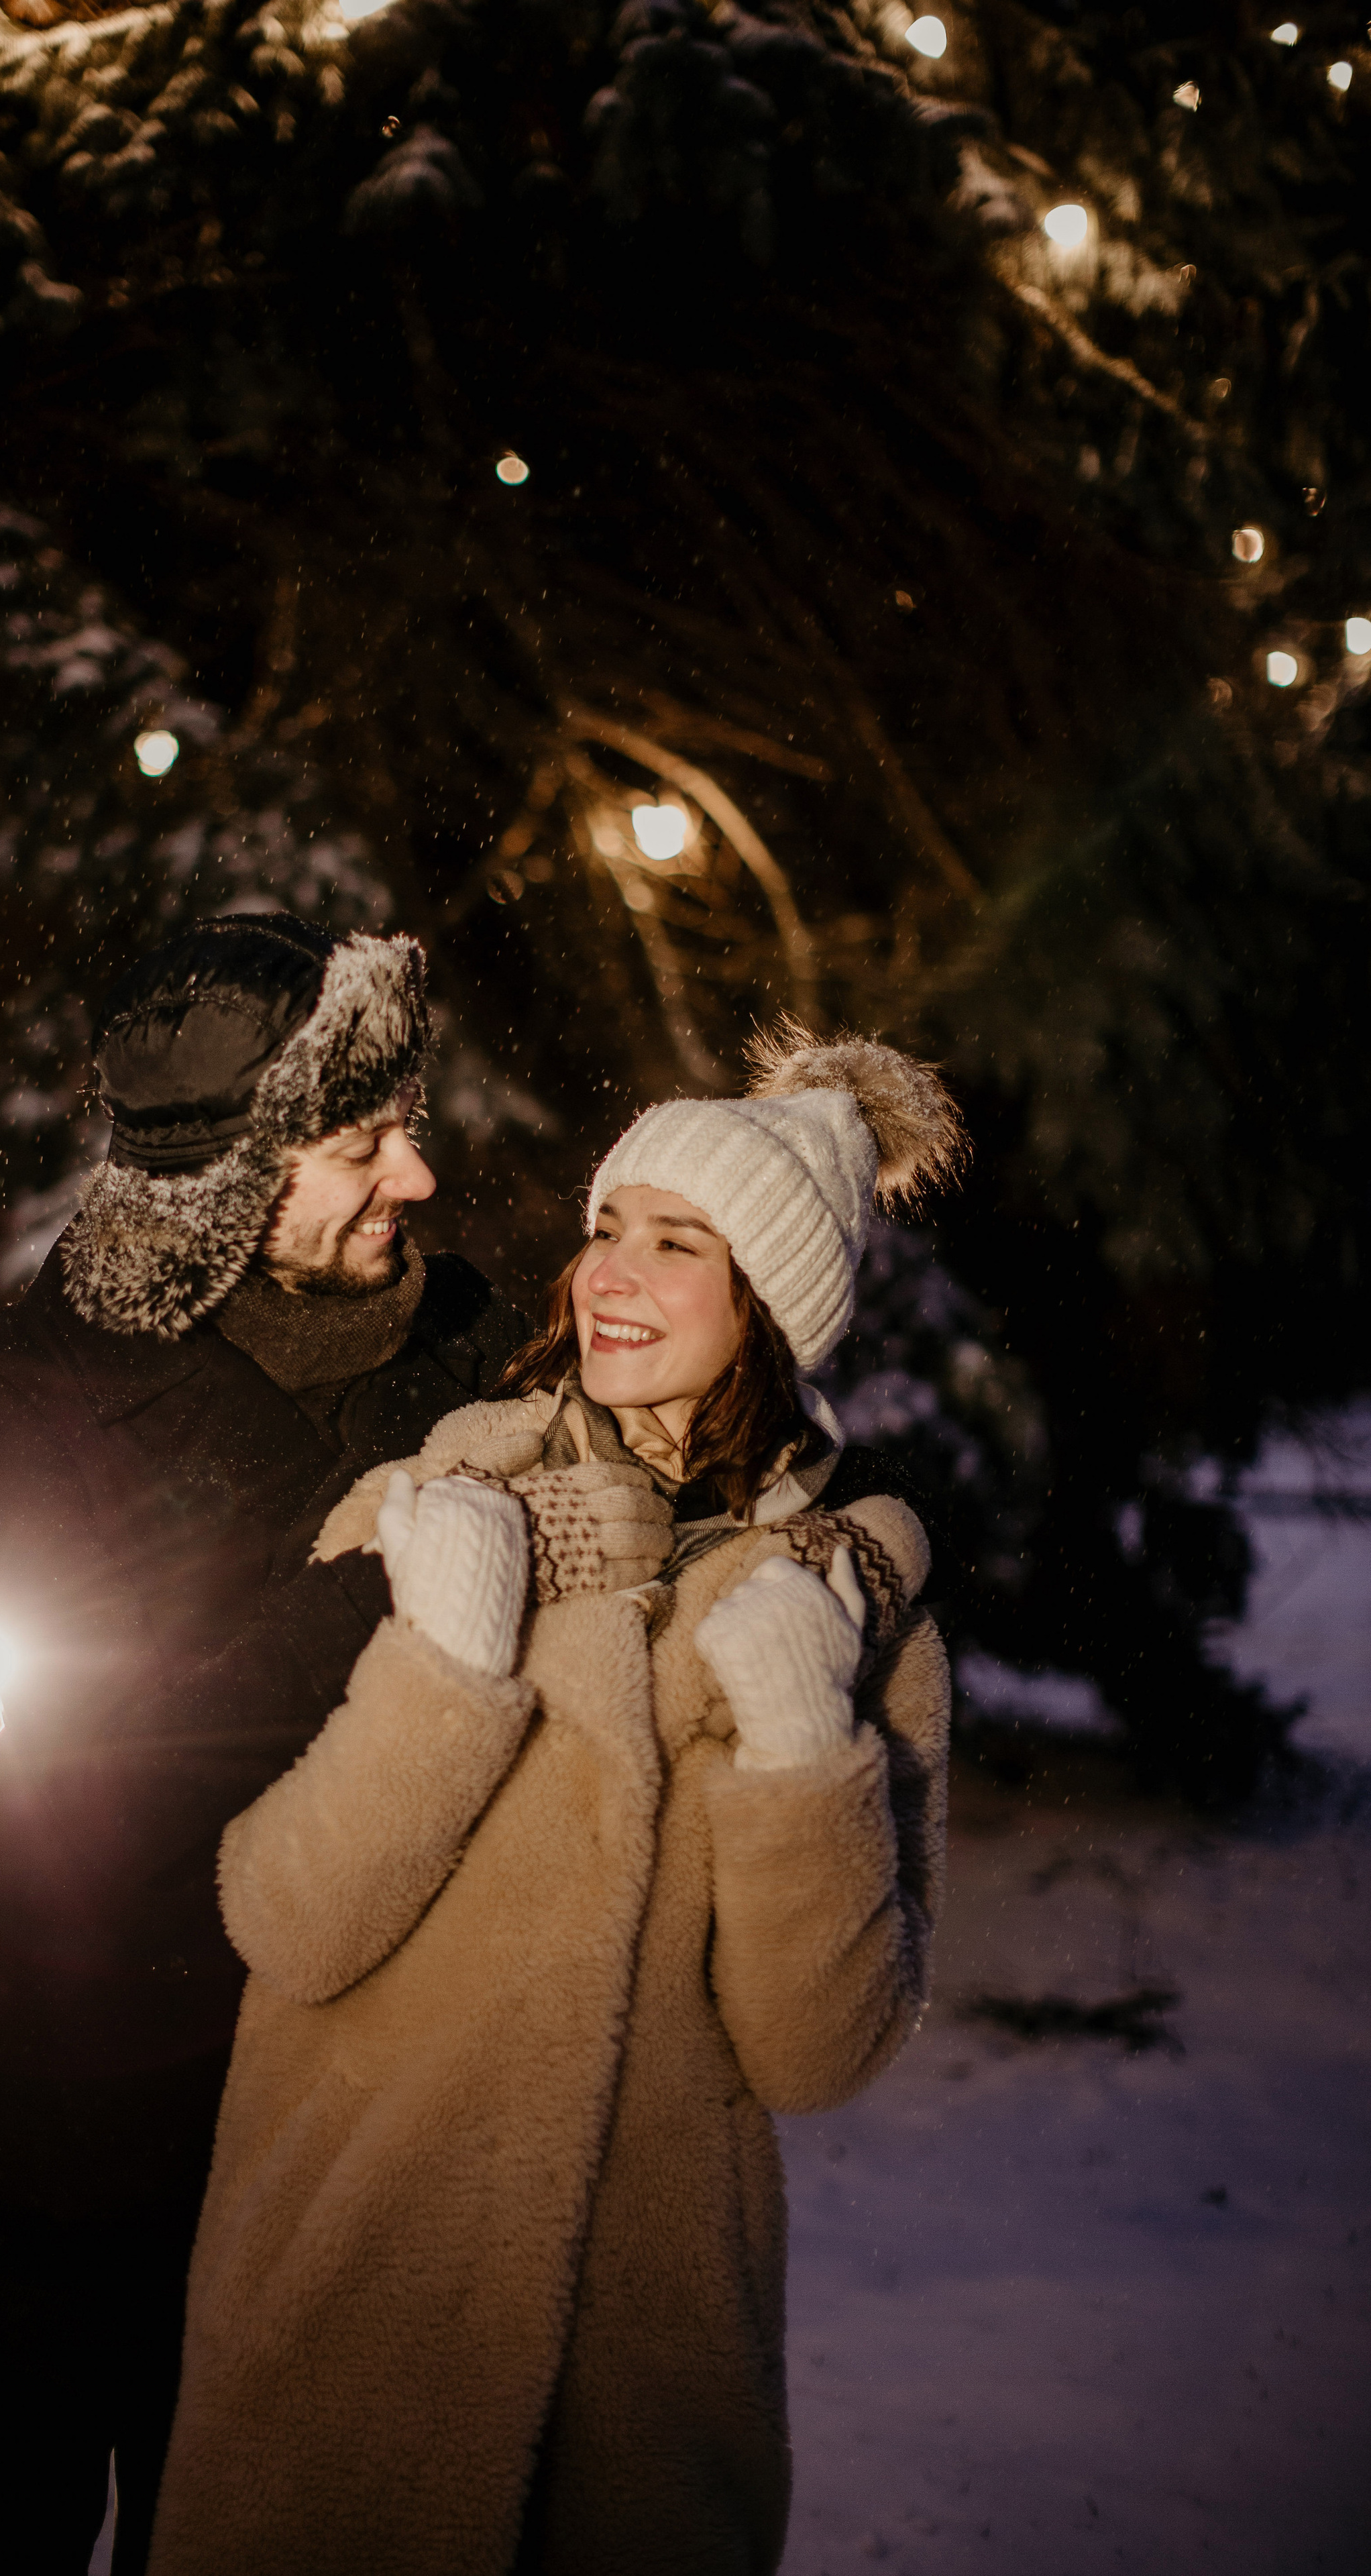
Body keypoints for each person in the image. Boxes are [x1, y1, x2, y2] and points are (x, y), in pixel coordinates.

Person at [0, 912, 669, 2575]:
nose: (418, 1178)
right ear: (230, 1175)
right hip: (75, 2097)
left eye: (410, 1127)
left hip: (340, 2116)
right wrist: (412, 1571)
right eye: (361, 1141)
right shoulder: (11, 1393)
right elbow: (106, 1764)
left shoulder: (469, 1343)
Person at [147, 1022, 965, 2576]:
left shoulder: (854, 1625)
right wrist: (446, 1662)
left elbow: (816, 2050)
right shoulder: (449, 1492)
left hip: (647, 2395)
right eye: (604, 1228)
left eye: (673, 1243)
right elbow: (287, 1918)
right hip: (347, 2327)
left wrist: (803, 1745)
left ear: (769, 1306)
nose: (609, 1271)